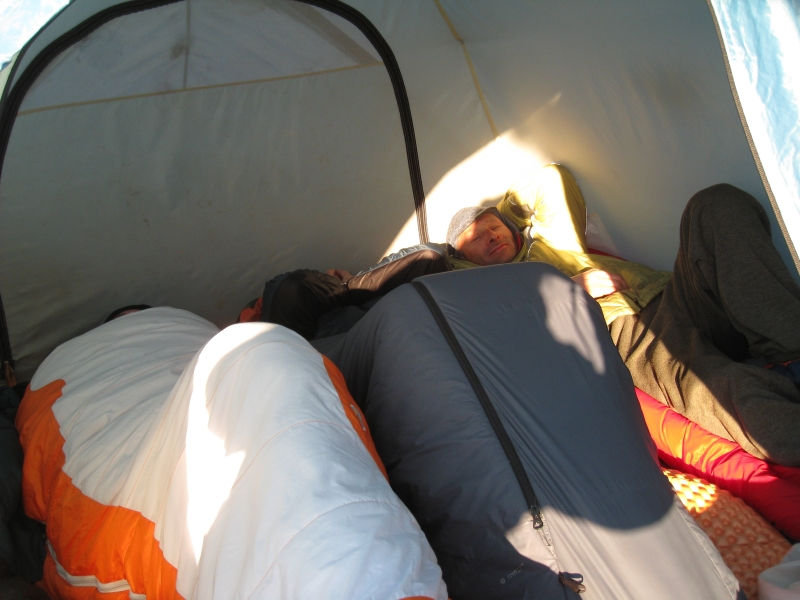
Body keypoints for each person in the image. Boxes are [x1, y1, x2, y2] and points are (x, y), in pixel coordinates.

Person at [447, 164, 800, 467]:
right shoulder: (486, 301)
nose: (490, 235)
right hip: (631, 340)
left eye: (494, 225)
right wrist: (564, 290)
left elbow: (551, 180)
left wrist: (507, 215)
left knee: (714, 205)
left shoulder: (551, 243)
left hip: (672, 295)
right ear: (461, 261)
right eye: (475, 238)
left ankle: (793, 353)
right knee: (722, 389)